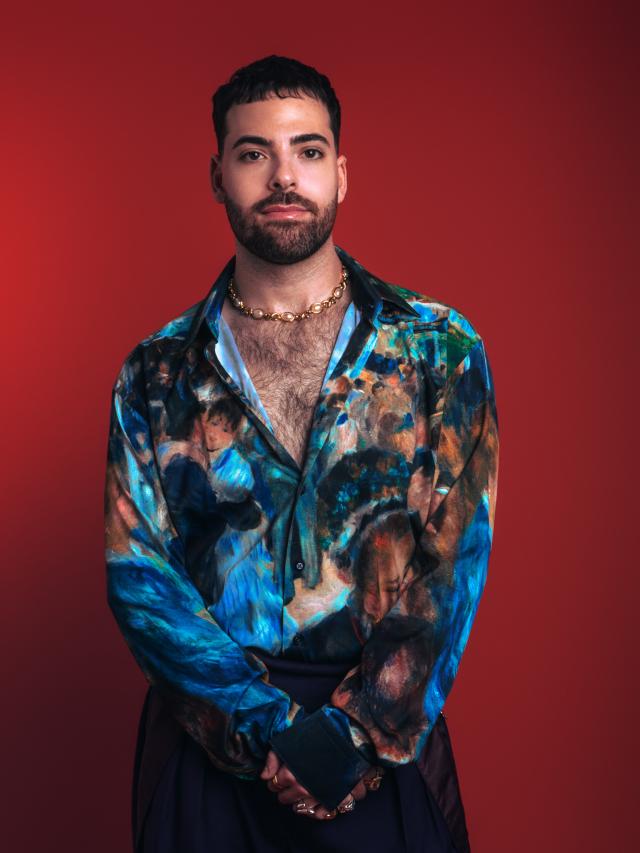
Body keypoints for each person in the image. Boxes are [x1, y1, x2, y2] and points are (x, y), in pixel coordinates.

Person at [104, 54, 499, 853]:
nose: (284, 176)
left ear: (342, 173)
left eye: (308, 151)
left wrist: (353, 735)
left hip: (382, 752)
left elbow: (452, 560)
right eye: (255, 153)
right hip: (212, 748)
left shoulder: (438, 349)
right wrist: (269, 734)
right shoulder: (155, 370)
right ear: (217, 175)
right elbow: (137, 574)